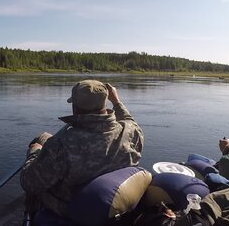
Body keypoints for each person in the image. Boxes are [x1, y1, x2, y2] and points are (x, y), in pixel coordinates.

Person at [20, 79, 144, 218]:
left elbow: (28, 183)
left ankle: (31, 219)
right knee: (45, 137)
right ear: (105, 102)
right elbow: (129, 120)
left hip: (70, 210)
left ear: (75, 107)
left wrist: (34, 152)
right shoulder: (130, 132)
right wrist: (116, 101)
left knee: (40, 141)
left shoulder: (60, 145)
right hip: (115, 207)